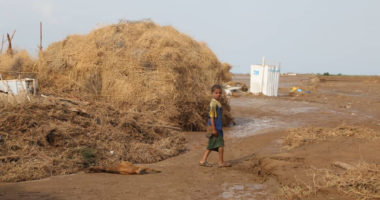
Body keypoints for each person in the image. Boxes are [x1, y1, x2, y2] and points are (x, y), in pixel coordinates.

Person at [199, 84, 231, 167]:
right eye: (216, 93)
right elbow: (211, 117)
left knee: (212, 145)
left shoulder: (217, 103)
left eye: (220, 93)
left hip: (217, 127)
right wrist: (214, 129)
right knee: (220, 145)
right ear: (212, 93)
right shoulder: (213, 104)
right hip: (215, 128)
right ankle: (220, 162)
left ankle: (203, 161)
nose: (218, 94)